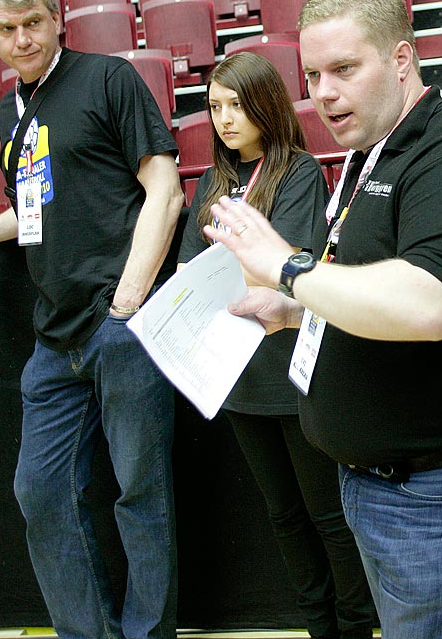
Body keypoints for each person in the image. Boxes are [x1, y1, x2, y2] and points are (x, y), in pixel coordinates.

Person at [206, 0, 442, 639]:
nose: (324, 93)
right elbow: (365, 289)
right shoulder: (370, 152)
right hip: (382, 486)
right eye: (314, 74)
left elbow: (426, 305)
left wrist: (290, 270)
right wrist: (293, 311)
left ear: (402, 60)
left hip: (439, 493)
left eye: (345, 69)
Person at [0, 0, 184, 639]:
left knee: (140, 493)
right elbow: (34, 207)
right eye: (7, 30)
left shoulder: (108, 79)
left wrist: (130, 299)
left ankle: (146, 633)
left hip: (118, 323)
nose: (22, 39)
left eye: (33, 24)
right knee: (39, 492)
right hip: (55, 338)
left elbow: (165, 189)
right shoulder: (9, 109)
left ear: (56, 19)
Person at [176, 51, 375, 639]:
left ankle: (356, 628)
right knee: (284, 517)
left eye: (236, 105)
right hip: (235, 375)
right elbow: (192, 269)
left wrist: (232, 272)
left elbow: (283, 268)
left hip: (287, 370)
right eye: (214, 107)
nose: (224, 119)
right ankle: (319, 627)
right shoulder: (213, 183)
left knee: (327, 516)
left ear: (265, 104)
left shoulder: (298, 172)